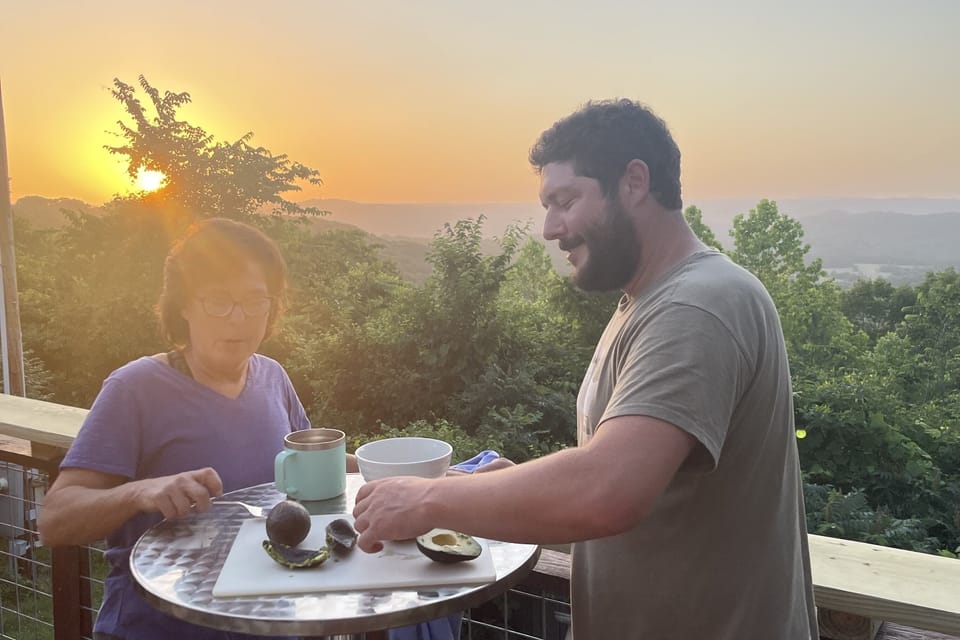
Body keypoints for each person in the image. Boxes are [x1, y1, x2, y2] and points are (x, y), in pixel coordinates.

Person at [352, 100, 819, 639]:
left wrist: (428, 499)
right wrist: (506, 488)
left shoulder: (696, 306)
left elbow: (607, 490)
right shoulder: (648, 301)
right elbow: (626, 477)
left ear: (634, 182)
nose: (550, 228)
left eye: (565, 201)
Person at [38, 218, 336, 640]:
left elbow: (315, 465)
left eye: (256, 300)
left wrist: (405, 475)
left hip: (270, 619)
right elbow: (55, 520)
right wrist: (140, 492)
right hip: (157, 627)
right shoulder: (135, 388)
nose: (238, 318)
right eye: (219, 300)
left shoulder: (273, 377)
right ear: (183, 305)